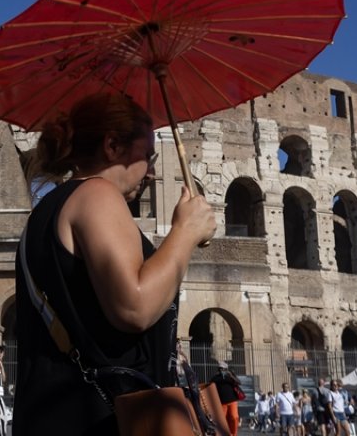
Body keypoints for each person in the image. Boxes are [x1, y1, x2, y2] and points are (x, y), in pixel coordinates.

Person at [13, 93, 215, 436]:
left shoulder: (44, 214)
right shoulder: (97, 195)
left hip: (52, 415)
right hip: (100, 419)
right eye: (146, 155)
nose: (151, 172)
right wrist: (184, 232)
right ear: (112, 146)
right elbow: (134, 307)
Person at [211, 362, 245, 436]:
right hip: (222, 402)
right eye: (220, 369)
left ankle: (233, 434)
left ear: (226, 369)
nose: (222, 370)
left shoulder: (230, 377)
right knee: (223, 420)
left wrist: (232, 376)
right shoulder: (215, 378)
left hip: (232, 401)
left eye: (223, 369)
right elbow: (210, 386)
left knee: (234, 417)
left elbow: (239, 382)